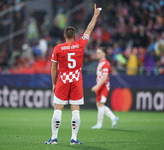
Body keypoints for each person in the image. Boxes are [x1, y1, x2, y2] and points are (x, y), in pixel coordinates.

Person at [45, 4, 101, 145]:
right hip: (76, 79)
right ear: (75, 36)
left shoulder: (58, 48)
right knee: (75, 109)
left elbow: (53, 68)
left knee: (58, 108)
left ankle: (54, 138)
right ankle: (74, 139)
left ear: (64, 36)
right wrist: (95, 15)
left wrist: (53, 83)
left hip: (63, 79)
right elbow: (89, 29)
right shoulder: (80, 44)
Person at [91, 47, 119, 129]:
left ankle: (100, 124)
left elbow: (105, 77)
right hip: (100, 86)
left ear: (104, 54)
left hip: (104, 87)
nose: (97, 54)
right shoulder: (100, 63)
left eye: (99, 53)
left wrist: (97, 86)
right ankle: (113, 118)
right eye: (97, 53)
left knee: (100, 105)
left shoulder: (106, 63)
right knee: (99, 104)